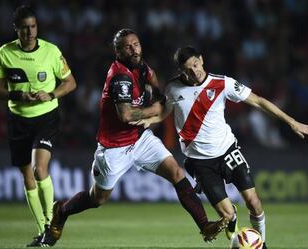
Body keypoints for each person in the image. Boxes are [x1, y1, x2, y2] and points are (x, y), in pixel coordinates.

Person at [41, 29, 228, 247]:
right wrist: (155, 108)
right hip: (114, 147)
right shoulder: (120, 76)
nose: (134, 49)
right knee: (97, 199)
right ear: (118, 51)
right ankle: (62, 211)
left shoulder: (142, 68)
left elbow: (154, 82)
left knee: (176, 173)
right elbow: (126, 115)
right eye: (128, 46)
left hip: (140, 140)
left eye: (136, 44)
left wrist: (157, 95)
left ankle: (205, 226)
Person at [132, 46, 308, 249]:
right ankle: (237, 239)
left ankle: (262, 245)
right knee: (228, 216)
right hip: (200, 161)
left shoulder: (223, 83)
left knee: (254, 202)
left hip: (228, 151)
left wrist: (291, 122)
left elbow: (259, 101)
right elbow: (163, 113)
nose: (194, 71)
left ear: (201, 59)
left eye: (195, 64)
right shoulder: (173, 88)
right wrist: (149, 120)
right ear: (180, 71)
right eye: (187, 69)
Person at [0, 5, 77, 247]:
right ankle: (42, 232)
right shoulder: (4, 53)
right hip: (17, 119)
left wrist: (51, 94)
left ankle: (51, 225)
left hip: (45, 117)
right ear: (16, 29)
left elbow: (70, 83)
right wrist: (18, 96)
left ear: (37, 27)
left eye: (33, 27)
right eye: (24, 28)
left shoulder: (51, 51)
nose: (29, 32)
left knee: (40, 169)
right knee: (27, 176)